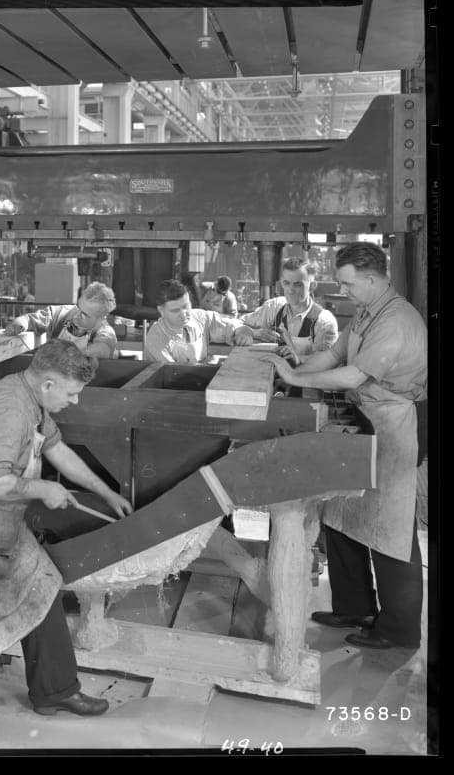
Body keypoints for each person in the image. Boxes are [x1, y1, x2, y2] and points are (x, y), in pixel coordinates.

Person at [0, 339, 132, 749]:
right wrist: (40, 489)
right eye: (71, 393)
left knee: (42, 586)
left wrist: (105, 493)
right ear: (49, 383)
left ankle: (55, 691)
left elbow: (57, 449)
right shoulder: (11, 410)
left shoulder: (32, 397)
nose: (73, 401)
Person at [264, 243, 426, 650]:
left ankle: (399, 630)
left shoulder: (397, 320)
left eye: (348, 283)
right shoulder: (370, 310)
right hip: (371, 417)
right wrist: (292, 371)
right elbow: (335, 354)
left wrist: (297, 380)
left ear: (372, 280)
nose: (344, 290)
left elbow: (353, 375)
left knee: (390, 525)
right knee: (343, 509)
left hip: (397, 422)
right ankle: (353, 606)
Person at [234, 258, 338, 360]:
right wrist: (249, 331)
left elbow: (325, 363)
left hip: (303, 376)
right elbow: (239, 323)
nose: (290, 290)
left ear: (312, 286)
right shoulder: (274, 307)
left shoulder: (324, 322)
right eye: (286, 283)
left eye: (298, 285)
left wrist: (297, 358)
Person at [143, 280, 250, 364]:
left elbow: (228, 323)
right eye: (175, 310)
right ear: (161, 310)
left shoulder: (199, 317)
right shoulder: (155, 339)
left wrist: (242, 330)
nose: (184, 313)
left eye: (186, 306)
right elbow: (171, 374)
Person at [5, 281, 118, 360]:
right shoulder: (61, 313)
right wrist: (20, 323)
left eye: (85, 315)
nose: (78, 315)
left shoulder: (105, 330)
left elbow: (104, 348)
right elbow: (31, 319)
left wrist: (76, 354)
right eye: (79, 308)